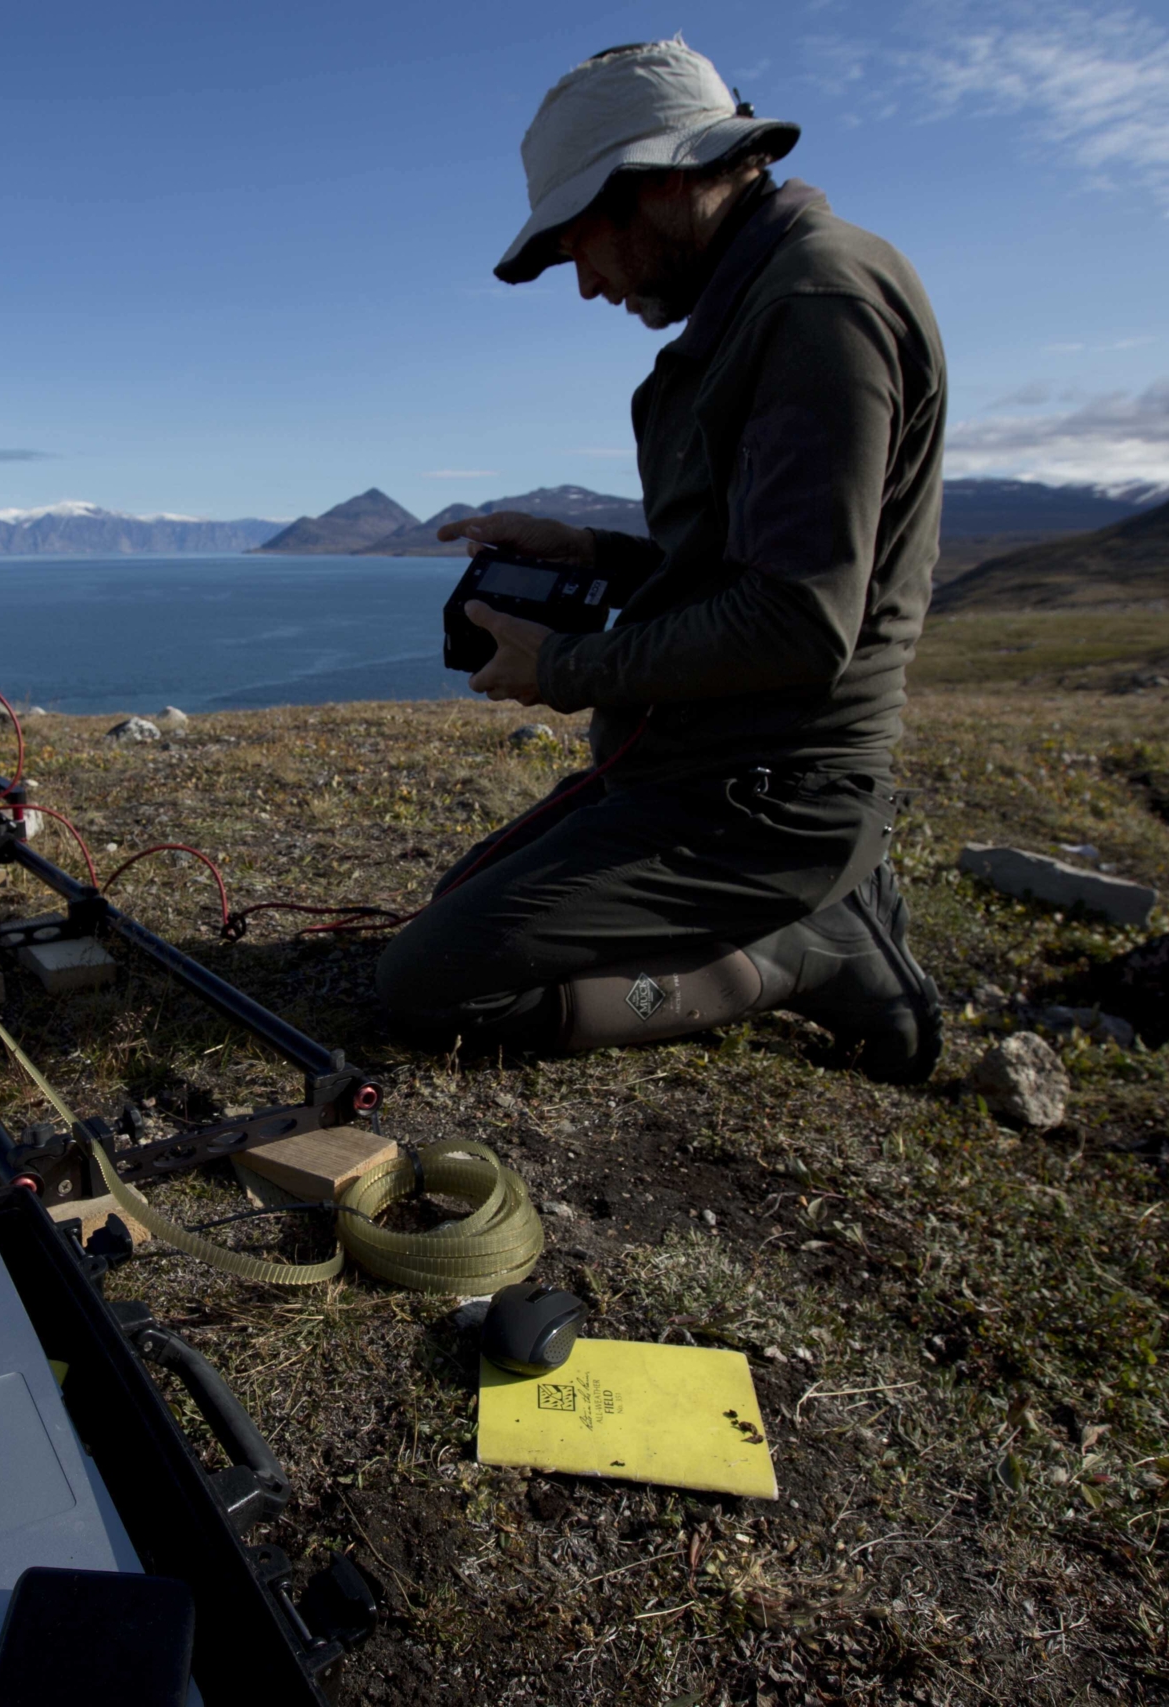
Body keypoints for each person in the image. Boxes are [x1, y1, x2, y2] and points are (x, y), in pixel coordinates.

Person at [373, 38, 945, 1082]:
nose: (584, 285)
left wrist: (564, 671)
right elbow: (741, 572)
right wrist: (591, 552)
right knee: (455, 916)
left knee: (436, 985)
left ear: (667, 181)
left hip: (768, 795)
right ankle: (821, 904)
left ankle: (805, 951)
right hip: (700, 769)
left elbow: (796, 623)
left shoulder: (816, 305)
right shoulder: (762, 303)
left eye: (581, 242)